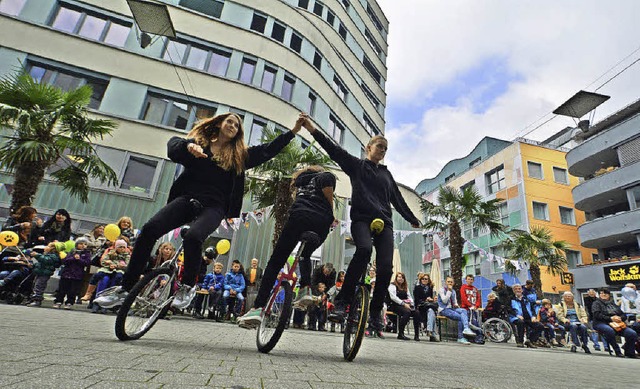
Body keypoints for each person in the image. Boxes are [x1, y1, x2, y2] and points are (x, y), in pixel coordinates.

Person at [95, 112, 301, 310]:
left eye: (237, 125)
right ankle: (126, 287)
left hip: (215, 207)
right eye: (230, 121)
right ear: (220, 123)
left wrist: (293, 131)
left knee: (193, 237)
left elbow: (268, 149)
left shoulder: (239, 157)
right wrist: (188, 146)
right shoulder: (199, 145)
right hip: (187, 199)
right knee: (149, 229)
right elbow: (172, 146)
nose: (232, 126)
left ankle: (187, 287)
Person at [301, 115, 421, 337]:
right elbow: (334, 150)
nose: (383, 151)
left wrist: (411, 217)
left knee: (386, 268)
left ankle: (375, 312)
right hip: (361, 220)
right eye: (380, 147)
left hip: (385, 223)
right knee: (364, 250)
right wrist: (311, 129)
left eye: (386, 149)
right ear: (368, 148)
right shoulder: (357, 166)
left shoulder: (386, 174)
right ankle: (342, 301)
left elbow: (397, 199)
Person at [238, 164, 337, 327]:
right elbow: (329, 200)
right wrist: (329, 216)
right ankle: (305, 288)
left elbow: (298, 198)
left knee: (275, 262)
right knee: (305, 254)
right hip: (320, 224)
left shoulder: (299, 181)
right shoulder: (326, 176)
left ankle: (257, 308)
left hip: (298, 217)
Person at [591, 287, 638, 358]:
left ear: (609, 295)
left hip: (617, 324)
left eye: (605, 293)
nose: (603, 294)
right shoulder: (596, 303)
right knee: (609, 331)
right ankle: (617, 351)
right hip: (601, 323)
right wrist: (611, 318)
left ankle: (629, 352)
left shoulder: (613, 304)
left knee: (632, 333)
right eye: (601, 293)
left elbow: (623, 315)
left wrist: (619, 318)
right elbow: (597, 315)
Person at [53, 238, 92, 309]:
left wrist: (79, 259)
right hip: (66, 273)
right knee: (62, 289)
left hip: (77, 275)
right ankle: (58, 301)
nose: (83, 245)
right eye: (81, 244)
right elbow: (65, 261)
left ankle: (69, 302)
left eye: (85, 244)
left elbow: (87, 263)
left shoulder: (87, 253)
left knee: (73, 290)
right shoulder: (71, 252)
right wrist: (73, 258)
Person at [92, 239, 129, 313]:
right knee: (104, 281)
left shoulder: (127, 256)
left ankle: (106, 304)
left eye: (123, 247)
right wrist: (109, 264)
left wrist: (119, 266)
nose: (122, 249)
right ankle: (97, 302)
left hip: (118, 273)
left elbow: (127, 265)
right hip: (107, 271)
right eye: (120, 247)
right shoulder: (110, 253)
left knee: (114, 284)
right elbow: (103, 261)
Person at [438, 277, 476, 345]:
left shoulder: (454, 291)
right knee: (461, 317)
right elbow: (444, 301)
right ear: (446, 282)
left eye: (451, 282)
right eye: (448, 282)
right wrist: (449, 291)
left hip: (452, 308)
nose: (450, 283)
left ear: (453, 283)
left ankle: (466, 328)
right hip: (444, 309)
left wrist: (456, 305)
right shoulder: (442, 290)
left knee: (463, 310)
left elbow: (455, 302)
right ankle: (461, 337)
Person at [387, 272, 420, 341]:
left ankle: (417, 335)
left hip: (406, 305)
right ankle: (401, 333)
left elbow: (409, 296)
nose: (400, 279)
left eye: (402, 277)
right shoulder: (392, 285)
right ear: (396, 278)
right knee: (407, 312)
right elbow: (393, 297)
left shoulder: (405, 287)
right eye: (399, 277)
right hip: (395, 305)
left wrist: (411, 303)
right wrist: (403, 303)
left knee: (417, 313)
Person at [29, 242, 63, 307]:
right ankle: (33, 298)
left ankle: (37, 300)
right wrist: (33, 265)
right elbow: (41, 264)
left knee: (39, 286)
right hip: (40, 272)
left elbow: (46, 260)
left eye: (48, 246)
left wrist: (37, 255)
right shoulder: (46, 254)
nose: (45, 247)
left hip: (44, 273)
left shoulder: (53, 256)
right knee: (35, 285)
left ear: (53, 248)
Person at [509, 284, 543, 348]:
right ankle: (520, 341)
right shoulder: (511, 299)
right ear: (513, 290)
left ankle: (530, 340)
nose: (518, 290)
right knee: (520, 322)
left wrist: (533, 316)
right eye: (515, 289)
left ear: (522, 290)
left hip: (528, 317)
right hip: (515, 317)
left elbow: (532, 308)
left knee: (540, 326)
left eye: (519, 289)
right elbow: (509, 309)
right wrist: (517, 315)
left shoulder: (526, 298)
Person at [460, 274, 484, 344]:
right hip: (466, 308)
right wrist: (469, 305)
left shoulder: (475, 289)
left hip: (474, 309)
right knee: (467, 323)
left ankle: (478, 337)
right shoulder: (463, 287)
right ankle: (468, 338)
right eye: (469, 279)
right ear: (466, 280)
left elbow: (478, 298)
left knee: (475, 323)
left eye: (471, 279)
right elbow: (463, 297)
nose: (470, 281)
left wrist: (476, 306)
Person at [413, 273, 437, 341]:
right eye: (423, 279)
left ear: (428, 280)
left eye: (426, 279)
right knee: (431, 311)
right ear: (420, 280)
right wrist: (426, 299)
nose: (424, 280)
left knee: (431, 311)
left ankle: (429, 330)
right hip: (420, 306)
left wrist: (432, 299)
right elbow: (416, 299)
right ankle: (432, 334)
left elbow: (431, 298)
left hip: (428, 306)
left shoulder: (430, 288)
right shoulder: (417, 288)